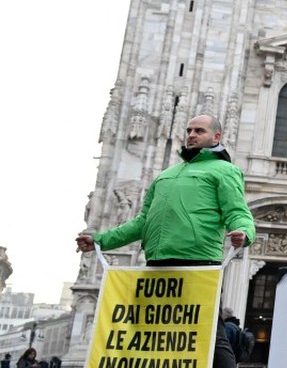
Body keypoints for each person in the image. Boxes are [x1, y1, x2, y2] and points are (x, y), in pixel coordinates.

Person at [75, 114, 255, 368]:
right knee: (149, 334)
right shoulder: (166, 175)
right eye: (189, 130)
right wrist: (100, 240)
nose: (191, 134)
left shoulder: (225, 171)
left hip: (198, 264)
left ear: (216, 137)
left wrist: (244, 233)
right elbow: (142, 222)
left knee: (207, 333)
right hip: (158, 262)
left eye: (199, 131)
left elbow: (237, 211)